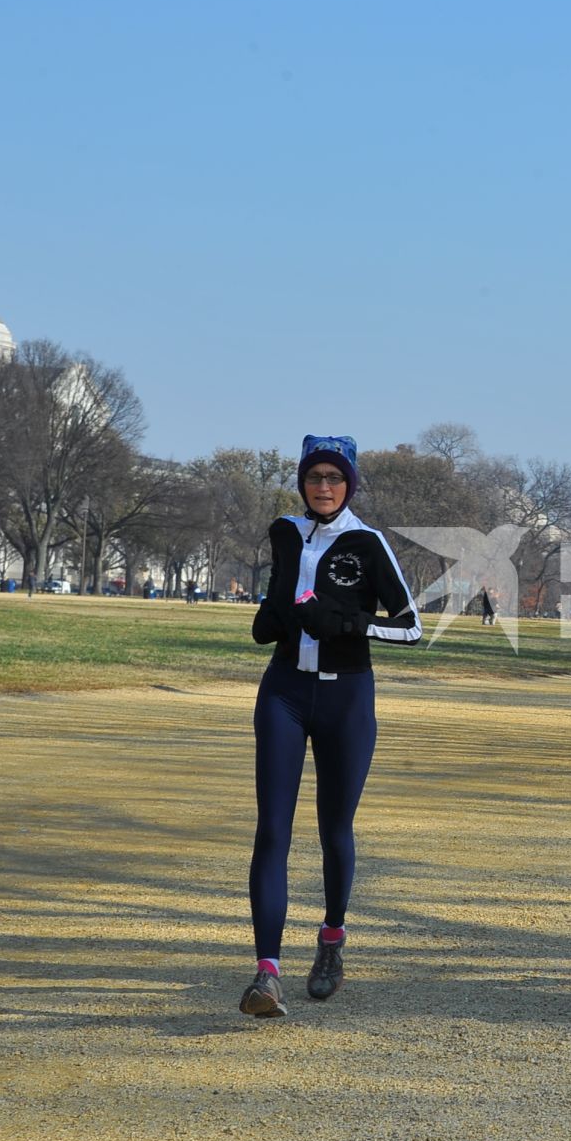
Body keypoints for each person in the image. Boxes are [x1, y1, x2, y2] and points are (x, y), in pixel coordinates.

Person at [239, 435, 422, 1018]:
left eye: (334, 478)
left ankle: (332, 940)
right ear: (302, 481)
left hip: (346, 699)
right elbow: (281, 596)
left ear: (350, 484)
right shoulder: (285, 531)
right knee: (272, 829)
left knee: (334, 831)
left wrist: (349, 623)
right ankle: (267, 973)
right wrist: (271, 613)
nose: (323, 486)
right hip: (285, 693)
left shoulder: (367, 542)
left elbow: (412, 626)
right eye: (314, 476)